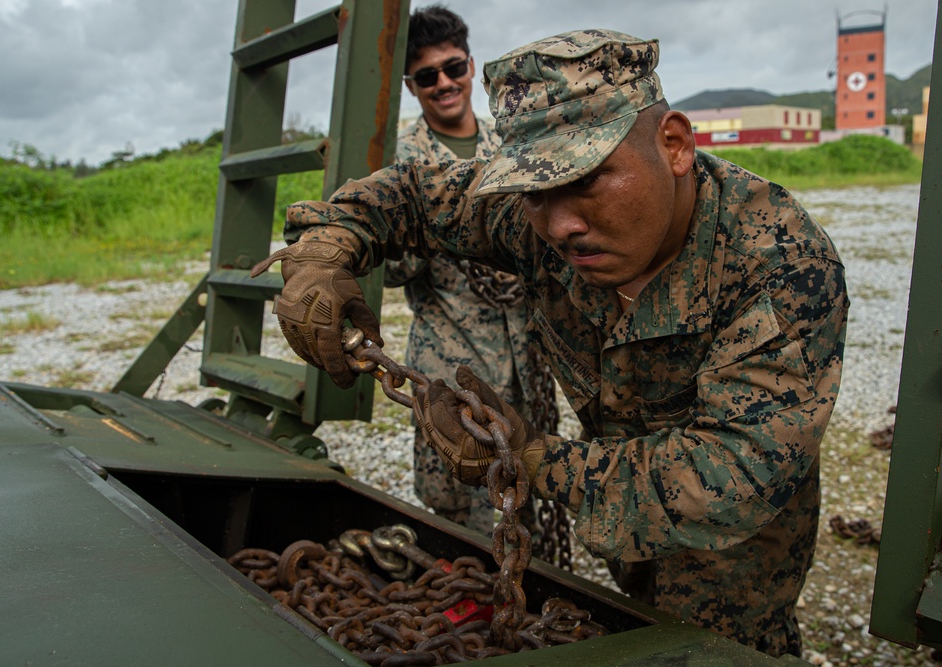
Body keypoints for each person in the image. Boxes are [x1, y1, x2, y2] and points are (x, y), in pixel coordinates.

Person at [256, 29, 848, 658]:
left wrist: (531, 458)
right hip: (620, 519)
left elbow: (729, 477)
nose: (561, 224)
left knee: (722, 648)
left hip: (735, 557)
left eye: (588, 179)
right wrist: (328, 245)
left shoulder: (780, 265)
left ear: (673, 145)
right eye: (537, 191)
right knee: (631, 624)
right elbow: (411, 194)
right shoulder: (534, 218)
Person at [386, 5, 552, 535]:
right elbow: (390, 269)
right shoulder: (401, 162)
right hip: (449, 354)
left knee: (525, 478)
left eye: (453, 68)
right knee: (453, 495)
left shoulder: (511, 145)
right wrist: (428, 223)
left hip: (525, 357)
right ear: (411, 86)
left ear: (471, 66)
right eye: (427, 76)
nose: (444, 83)